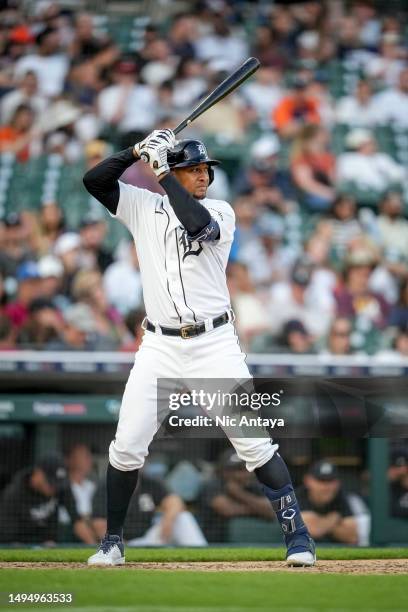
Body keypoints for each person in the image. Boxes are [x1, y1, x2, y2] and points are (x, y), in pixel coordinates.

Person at [83, 128, 316, 566]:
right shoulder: (142, 207)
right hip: (159, 347)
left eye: (205, 169)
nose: (203, 176)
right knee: (127, 446)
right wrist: (135, 152)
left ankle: (299, 538)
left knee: (253, 444)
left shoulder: (221, 212)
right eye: (193, 170)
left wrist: (163, 173)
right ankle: (112, 542)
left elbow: (196, 224)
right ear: (176, 170)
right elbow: (94, 181)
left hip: (214, 344)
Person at [0, 453, 96, 544]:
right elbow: (9, 538)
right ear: (38, 473)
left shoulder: (61, 486)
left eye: (57, 482)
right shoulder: (14, 493)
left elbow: (77, 520)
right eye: (51, 482)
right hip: (20, 541)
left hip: (49, 542)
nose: (54, 487)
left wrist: (94, 547)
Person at [91, 472, 206, 547]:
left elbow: (175, 501)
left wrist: (168, 520)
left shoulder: (149, 482)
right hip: (127, 544)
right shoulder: (106, 486)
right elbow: (99, 525)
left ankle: (203, 557)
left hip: (150, 538)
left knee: (183, 518)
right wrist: (120, 547)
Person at [198, 449, 275, 543]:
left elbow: (270, 511)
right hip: (214, 541)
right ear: (223, 471)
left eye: (244, 469)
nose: (240, 474)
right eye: (235, 470)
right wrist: (257, 509)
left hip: (250, 541)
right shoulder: (214, 485)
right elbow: (226, 509)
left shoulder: (253, 486)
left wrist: (239, 494)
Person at [296, 460, 370, 546]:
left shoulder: (342, 497)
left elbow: (352, 536)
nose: (326, 486)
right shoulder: (296, 496)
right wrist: (334, 518)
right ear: (308, 481)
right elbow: (311, 529)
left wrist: (319, 523)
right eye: (321, 480)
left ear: (337, 483)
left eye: (330, 481)